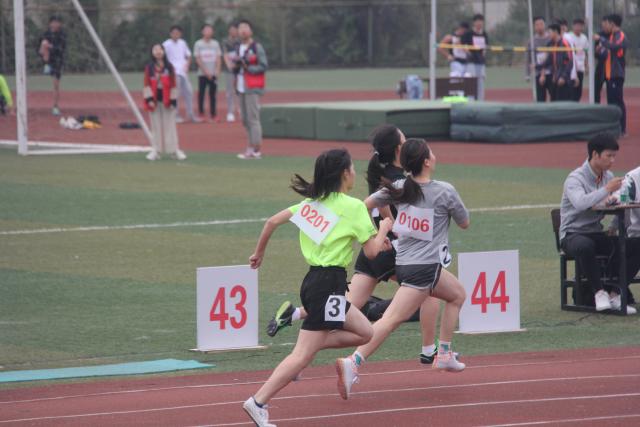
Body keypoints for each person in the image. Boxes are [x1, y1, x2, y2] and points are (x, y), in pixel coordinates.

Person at [266, 125, 450, 365]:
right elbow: (380, 209)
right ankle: (427, 349)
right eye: (404, 139)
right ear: (398, 148)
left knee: (343, 305)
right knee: (429, 289)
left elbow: (372, 206)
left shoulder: (384, 175)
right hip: (389, 250)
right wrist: (391, 228)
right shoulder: (400, 181)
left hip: (372, 251)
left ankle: (296, 317)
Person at [241, 148, 393, 426]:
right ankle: (258, 402)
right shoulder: (354, 207)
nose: (355, 173)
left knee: (365, 331)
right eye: (352, 168)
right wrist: (384, 227)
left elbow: (272, 222)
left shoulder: (311, 204)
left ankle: (304, 343)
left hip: (315, 283)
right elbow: (372, 253)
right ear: (344, 173)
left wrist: (258, 254)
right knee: (301, 356)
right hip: (328, 285)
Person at [336, 138, 470, 400]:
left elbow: (364, 205)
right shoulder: (444, 191)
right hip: (424, 268)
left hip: (406, 263)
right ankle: (353, 362)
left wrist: (376, 230)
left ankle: (444, 353)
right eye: (431, 153)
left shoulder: (398, 186)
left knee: (457, 294)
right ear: (427, 161)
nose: (434, 155)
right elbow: (465, 223)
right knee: (391, 319)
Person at [559, 134, 635, 314]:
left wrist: (614, 213)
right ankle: (599, 292)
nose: (612, 160)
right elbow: (581, 203)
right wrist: (607, 190)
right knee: (585, 246)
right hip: (572, 234)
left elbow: (613, 202)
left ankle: (615, 293)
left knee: (633, 245)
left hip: (596, 233)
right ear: (595, 154)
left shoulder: (608, 176)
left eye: (614, 156)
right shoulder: (575, 179)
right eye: (609, 156)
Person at [143, 44, 186, 161]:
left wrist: (173, 100)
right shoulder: (149, 68)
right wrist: (149, 99)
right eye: (155, 49)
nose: (158, 52)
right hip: (154, 101)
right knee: (155, 127)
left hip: (167, 101)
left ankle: (174, 150)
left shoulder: (169, 67)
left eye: (160, 49)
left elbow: (173, 84)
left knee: (170, 126)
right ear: (152, 52)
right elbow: (146, 83)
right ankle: (156, 151)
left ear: (164, 51)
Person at [234, 19, 268, 160]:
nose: (243, 30)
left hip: (252, 86)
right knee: (245, 119)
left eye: (245, 28)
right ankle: (250, 147)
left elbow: (263, 65)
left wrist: (249, 68)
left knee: (253, 118)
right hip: (240, 86)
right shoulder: (238, 47)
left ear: (251, 31)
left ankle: (256, 149)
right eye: (240, 28)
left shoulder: (256, 47)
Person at [595, 14, 627, 136]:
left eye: (606, 24)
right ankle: (614, 128)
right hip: (609, 75)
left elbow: (616, 47)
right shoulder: (612, 37)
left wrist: (602, 40)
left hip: (616, 74)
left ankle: (622, 128)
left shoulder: (620, 36)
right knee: (611, 102)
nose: (604, 27)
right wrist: (599, 51)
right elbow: (607, 54)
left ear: (612, 24)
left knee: (618, 102)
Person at [163, 25, 201, 123]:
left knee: (189, 92)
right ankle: (175, 115)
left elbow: (188, 55)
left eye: (178, 33)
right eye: (174, 33)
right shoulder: (166, 44)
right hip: (173, 72)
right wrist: (168, 69)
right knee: (176, 94)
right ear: (170, 34)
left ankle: (190, 114)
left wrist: (187, 65)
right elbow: (163, 58)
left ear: (180, 34)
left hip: (183, 72)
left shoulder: (182, 43)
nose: (176, 35)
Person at [38, 16, 66, 116]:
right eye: (53, 22)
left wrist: (50, 46)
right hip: (48, 58)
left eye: (57, 22)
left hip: (58, 61)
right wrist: (44, 48)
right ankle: (46, 65)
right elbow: (40, 47)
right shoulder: (46, 34)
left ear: (60, 24)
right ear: (50, 24)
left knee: (56, 85)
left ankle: (55, 106)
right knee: (44, 42)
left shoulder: (62, 35)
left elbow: (60, 49)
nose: (54, 24)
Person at [193, 23, 222, 122]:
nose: (208, 32)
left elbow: (218, 57)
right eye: (206, 30)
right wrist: (206, 72)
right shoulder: (198, 44)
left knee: (213, 95)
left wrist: (217, 70)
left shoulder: (215, 44)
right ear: (202, 32)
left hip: (213, 74)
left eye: (210, 30)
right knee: (201, 94)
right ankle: (201, 114)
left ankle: (213, 115)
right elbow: (198, 59)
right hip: (202, 74)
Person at [542, 24, 573, 101]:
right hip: (555, 79)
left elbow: (569, 62)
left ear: (555, 32)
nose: (548, 34)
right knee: (553, 101)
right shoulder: (552, 44)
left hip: (563, 81)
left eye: (549, 32)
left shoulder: (564, 44)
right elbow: (548, 60)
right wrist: (537, 65)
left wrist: (563, 77)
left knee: (563, 103)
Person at [462, 14, 488, 100]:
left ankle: (480, 100)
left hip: (481, 62)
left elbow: (485, 47)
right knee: (471, 82)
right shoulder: (468, 34)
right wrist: (469, 53)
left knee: (480, 82)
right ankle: (471, 100)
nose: (479, 24)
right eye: (478, 21)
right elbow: (463, 45)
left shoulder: (484, 34)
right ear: (474, 23)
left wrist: (483, 54)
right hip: (471, 62)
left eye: (481, 22)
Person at [526, 16, 551, 102]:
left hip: (551, 72)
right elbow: (528, 58)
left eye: (541, 24)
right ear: (534, 27)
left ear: (545, 25)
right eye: (537, 25)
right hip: (538, 73)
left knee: (554, 97)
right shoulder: (532, 41)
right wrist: (527, 74)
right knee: (540, 99)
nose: (539, 26)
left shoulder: (550, 38)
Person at [565, 19, 589, 102]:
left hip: (580, 68)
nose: (579, 28)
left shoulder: (584, 38)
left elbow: (585, 52)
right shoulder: (569, 36)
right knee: (571, 90)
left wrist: (586, 66)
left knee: (578, 91)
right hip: (572, 68)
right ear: (573, 26)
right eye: (577, 26)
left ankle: (576, 104)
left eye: (581, 26)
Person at [222, 22, 240, 122]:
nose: (233, 32)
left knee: (240, 90)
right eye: (232, 30)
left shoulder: (240, 41)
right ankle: (230, 112)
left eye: (235, 30)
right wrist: (229, 65)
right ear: (229, 30)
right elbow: (225, 54)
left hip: (239, 69)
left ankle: (240, 109)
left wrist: (238, 64)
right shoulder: (225, 42)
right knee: (229, 91)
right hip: (229, 70)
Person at [594, 17, 612, 104]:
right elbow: (595, 53)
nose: (604, 27)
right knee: (596, 89)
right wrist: (597, 51)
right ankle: (596, 107)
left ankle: (611, 107)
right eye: (603, 26)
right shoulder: (599, 35)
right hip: (601, 66)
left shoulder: (614, 35)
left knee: (611, 91)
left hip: (611, 66)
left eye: (606, 25)